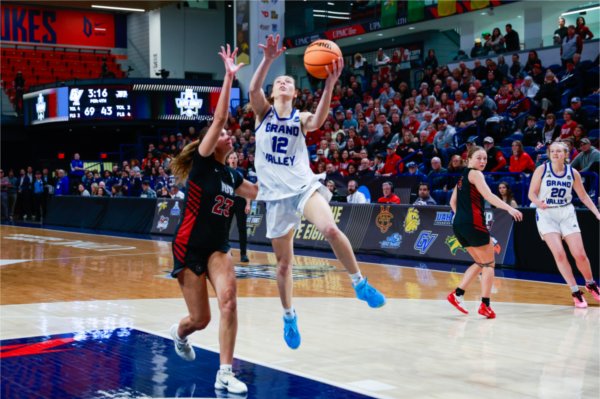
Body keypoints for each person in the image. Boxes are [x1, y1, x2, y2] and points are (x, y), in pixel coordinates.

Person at [249, 34, 386, 349]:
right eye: (278, 82)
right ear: (273, 91)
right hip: (275, 197)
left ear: (295, 92)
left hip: (303, 187)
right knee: (284, 265)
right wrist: (269, 60)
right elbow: (254, 89)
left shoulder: (300, 118)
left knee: (330, 228)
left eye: (288, 81)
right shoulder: (263, 113)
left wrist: (328, 85)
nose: (283, 83)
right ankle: (288, 316)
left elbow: (320, 119)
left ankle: (359, 283)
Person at [168, 44, 256, 395]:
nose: (227, 134)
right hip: (189, 247)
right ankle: (179, 332)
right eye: (222, 135)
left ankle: (224, 372)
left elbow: (258, 192)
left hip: (217, 248)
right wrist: (229, 76)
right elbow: (219, 119)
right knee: (200, 320)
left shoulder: (232, 177)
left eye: (226, 135)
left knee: (230, 301)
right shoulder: (204, 162)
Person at [447, 146, 523, 318]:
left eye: (485, 159)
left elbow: (453, 202)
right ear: (469, 159)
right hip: (474, 224)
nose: (482, 161)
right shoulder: (475, 174)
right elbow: (489, 196)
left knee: (481, 262)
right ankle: (485, 305)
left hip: (459, 225)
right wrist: (509, 209)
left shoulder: (461, 177)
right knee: (489, 264)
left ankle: (457, 294)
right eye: (479, 158)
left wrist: (461, 217)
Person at [528, 142, 600, 308]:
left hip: (566, 212)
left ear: (566, 154)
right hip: (547, 214)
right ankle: (575, 291)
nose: (555, 153)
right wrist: (539, 202)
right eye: (552, 151)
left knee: (580, 254)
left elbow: (583, 196)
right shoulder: (542, 170)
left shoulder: (572, 172)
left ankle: (590, 283)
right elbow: (531, 193)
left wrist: (596, 212)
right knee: (559, 254)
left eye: (559, 151)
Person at [227, 151, 250, 262]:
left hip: (240, 200)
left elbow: (247, 188)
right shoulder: (224, 171)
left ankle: (243, 254)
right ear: (228, 160)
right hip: (228, 201)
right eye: (231, 157)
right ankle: (226, 251)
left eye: (235, 157)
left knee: (242, 228)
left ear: (237, 160)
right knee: (224, 228)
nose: (233, 159)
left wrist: (248, 203)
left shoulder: (242, 172)